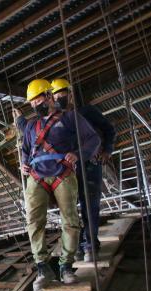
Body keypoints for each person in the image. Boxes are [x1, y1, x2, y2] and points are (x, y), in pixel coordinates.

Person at [14, 79, 101, 290]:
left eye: (38, 99)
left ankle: (66, 266)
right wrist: (23, 164)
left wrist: (78, 154)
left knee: (70, 220)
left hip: (63, 172)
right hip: (36, 175)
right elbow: (25, 149)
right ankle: (43, 266)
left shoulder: (71, 118)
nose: (35, 105)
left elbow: (93, 139)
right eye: (32, 102)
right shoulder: (31, 127)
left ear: (50, 96)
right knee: (33, 221)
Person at [51, 78, 116, 262]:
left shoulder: (87, 112)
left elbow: (109, 130)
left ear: (70, 94)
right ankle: (77, 247)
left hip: (90, 165)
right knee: (69, 210)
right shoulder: (56, 121)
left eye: (61, 94)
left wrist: (107, 151)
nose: (59, 99)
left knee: (90, 206)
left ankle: (90, 246)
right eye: (55, 96)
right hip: (68, 170)